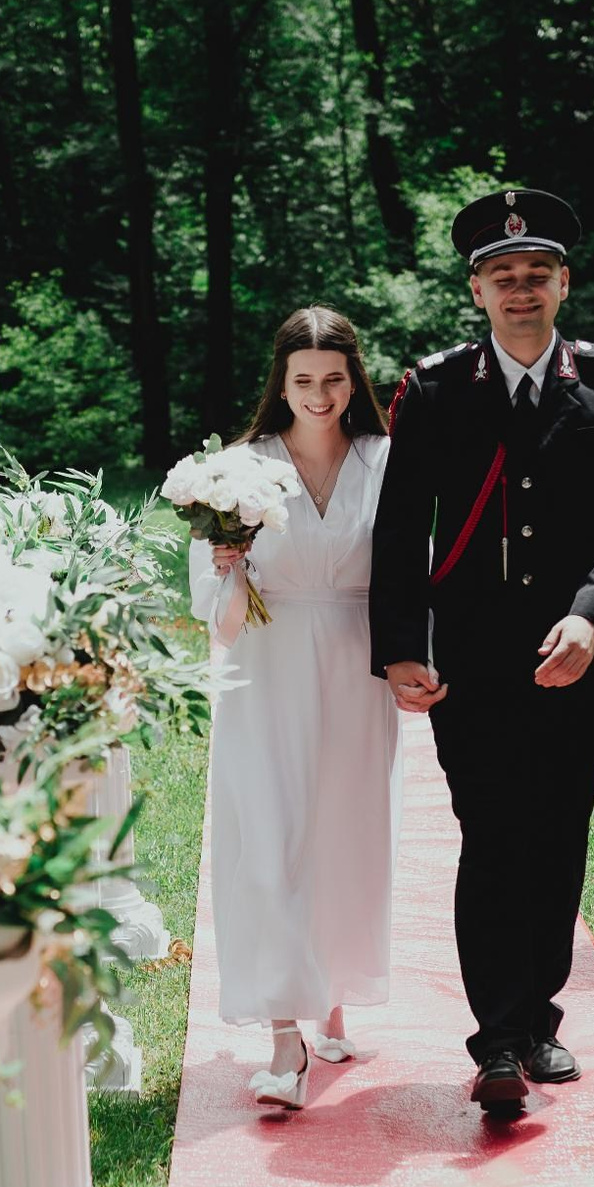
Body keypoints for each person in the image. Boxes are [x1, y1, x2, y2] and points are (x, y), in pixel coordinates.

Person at [368, 189, 594, 1114]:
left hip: (576, 656)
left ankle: (540, 1021)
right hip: (476, 664)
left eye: (537, 275)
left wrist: (592, 615)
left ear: (563, 283)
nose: (521, 290)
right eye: (503, 278)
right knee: (493, 835)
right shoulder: (436, 387)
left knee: (557, 836)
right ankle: (496, 1039)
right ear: (477, 290)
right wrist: (400, 646)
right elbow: (401, 523)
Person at [197, 307, 400, 1110]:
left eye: (334, 379)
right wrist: (230, 564)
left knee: (345, 834)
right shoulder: (241, 467)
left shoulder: (387, 460)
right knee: (272, 837)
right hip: (266, 671)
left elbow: (413, 573)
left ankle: (335, 992)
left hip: (357, 668)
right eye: (304, 380)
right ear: (280, 383)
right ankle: (286, 1035)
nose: (319, 395)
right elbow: (218, 619)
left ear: (355, 381)